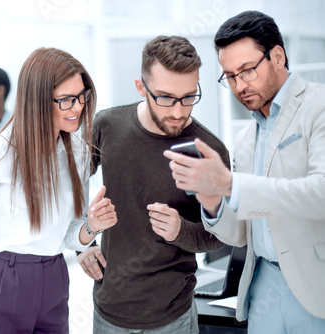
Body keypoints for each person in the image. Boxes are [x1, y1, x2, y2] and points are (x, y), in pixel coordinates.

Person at [164, 11, 325, 333]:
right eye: (230, 76)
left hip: (315, 286)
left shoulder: (318, 106)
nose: (239, 85)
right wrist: (212, 199)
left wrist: (229, 182)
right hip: (262, 283)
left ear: (277, 56)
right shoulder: (245, 138)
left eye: (247, 70)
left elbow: (320, 194)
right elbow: (240, 233)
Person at [0, 47, 118, 334]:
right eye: (66, 100)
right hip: (3, 277)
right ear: (37, 101)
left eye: (81, 96)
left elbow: (69, 235)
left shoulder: (77, 152)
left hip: (54, 275)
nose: (78, 107)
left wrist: (92, 226)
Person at [77, 35, 228, 333]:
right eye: (165, 97)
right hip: (110, 312)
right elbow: (67, 187)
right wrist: (81, 243)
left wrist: (180, 231)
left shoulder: (209, 150)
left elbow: (221, 237)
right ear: (141, 88)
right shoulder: (106, 126)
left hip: (173, 317)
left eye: (188, 97)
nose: (178, 111)